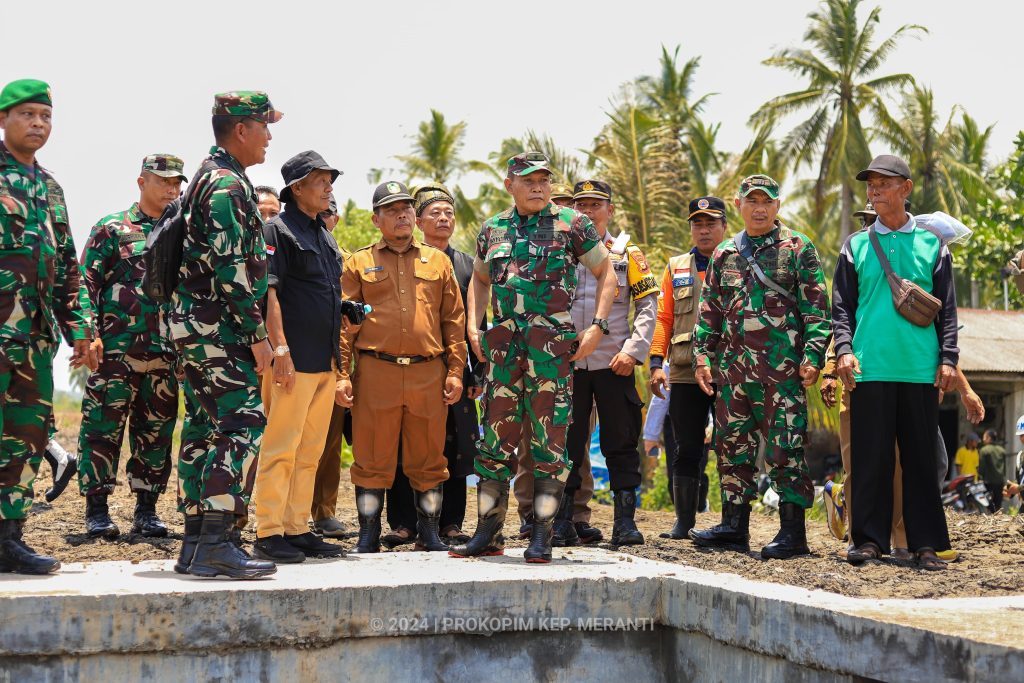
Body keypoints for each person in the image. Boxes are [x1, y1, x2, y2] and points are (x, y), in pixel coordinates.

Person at [451, 152, 613, 564]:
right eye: (529, 180)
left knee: (549, 442)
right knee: (493, 441)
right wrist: (474, 327)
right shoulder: (493, 228)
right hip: (504, 348)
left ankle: (541, 534)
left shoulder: (571, 224)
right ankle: (487, 532)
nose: (538, 186)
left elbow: (606, 273)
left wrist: (596, 327)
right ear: (510, 185)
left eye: (544, 179)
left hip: (551, 352)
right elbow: (481, 281)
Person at [170, 91, 282, 580]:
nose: (269, 137)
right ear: (241, 130)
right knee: (243, 423)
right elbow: (230, 268)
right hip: (217, 325)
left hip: (195, 326)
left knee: (202, 427)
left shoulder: (209, 178)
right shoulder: (226, 185)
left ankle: (195, 543)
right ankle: (217, 540)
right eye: (264, 126)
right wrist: (258, 335)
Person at [689, 175, 830, 560]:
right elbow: (709, 313)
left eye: (766, 201)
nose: (759, 208)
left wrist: (814, 356)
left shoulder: (798, 248)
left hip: (781, 373)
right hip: (734, 375)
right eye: (751, 201)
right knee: (732, 448)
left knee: (786, 449)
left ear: (777, 206)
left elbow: (817, 309)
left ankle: (793, 533)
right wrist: (702, 357)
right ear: (739, 205)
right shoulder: (724, 254)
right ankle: (734, 527)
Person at [833, 154, 958, 571]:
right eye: (870, 184)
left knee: (922, 460)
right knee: (872, 459)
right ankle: (869, 541)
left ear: (906, 188)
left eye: (884, 183)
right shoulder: (854, 245)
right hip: (870, 367)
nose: (875, 190)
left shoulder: (933, 244)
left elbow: (949, 311)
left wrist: (948, 358)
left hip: (921, 369)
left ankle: (926, 545)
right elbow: (842, 308)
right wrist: (844, 350)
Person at [0, 79, 98, 575]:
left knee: (27, 437)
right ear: (3, 119)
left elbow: (66, 263)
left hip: (34, 341)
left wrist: (81, 328)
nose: (38, 123)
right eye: (27, 115)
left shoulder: (50, 186)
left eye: (45, 115)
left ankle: (8, 537)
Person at [337, 181, 467, 553]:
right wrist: (342, 375)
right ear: (376, 219)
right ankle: (368, 532)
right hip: (377, 372)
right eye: (392, 210)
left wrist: (456, 371)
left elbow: (453, 321)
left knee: (429, 457)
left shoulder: (438, 261)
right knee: (371, 457)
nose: (402, 215)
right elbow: (345, 326)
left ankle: (429, 532)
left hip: (429, 372)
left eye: (407, 208)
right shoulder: (358, 263)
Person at [77, 154, 187, 539]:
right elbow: (85, 283)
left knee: (155, 434)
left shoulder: (183, 233)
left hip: (165, 354)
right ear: (142, 183)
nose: (173, 189)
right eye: (164, 182)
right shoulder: (112, 228)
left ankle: (146, 510)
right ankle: (97, 510)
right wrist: (89, 332)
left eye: (177, 183)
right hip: (115, 352)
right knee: (102, 430)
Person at [251, 151, 346, 563]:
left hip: (323, 362)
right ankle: (269, 530)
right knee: (280, 448)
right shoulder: (277, 231)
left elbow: (323, 295)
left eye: (329, 180)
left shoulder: (323, 234)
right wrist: (280, 350)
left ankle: (296, 527)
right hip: (292, 361)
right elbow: (270, 293)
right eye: (320, 180)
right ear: (296, 188)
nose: (328, 187)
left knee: (310, 451)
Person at [553, 179, 658, 547]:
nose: (587, 210)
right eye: (580, 204)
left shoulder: (627, 252)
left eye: (596, 204)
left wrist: (634, 350)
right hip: (569, 366)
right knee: (566, 443)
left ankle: (624, 523)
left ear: (609, 210)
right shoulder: (560, 250)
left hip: (615, 363)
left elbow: (647, 306)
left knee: (620, 441)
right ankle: (562, 521)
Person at [383, 183, 482, 547]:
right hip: (410, 368)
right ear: (419, 221)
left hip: (456, 370)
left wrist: (476, 372)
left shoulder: (468, 266)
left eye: (449, 214)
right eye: (435, 213)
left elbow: (478, 323)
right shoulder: (405, 259)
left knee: (455, 445)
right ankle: (404, 522)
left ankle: (451, 522)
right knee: (403, 443)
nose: (443, 219)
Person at [649, 196, 728, 539]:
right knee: (686, 447)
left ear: (725, 226)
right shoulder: (676, 266)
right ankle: (684, 522)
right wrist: (655, 362)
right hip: (682, 369)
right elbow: (664, 317)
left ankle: (733, 522)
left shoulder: (738, 261)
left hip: (729, 369)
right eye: (698, 223)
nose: (704, 229)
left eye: (711, 223)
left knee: (731, 447)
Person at [309, 193, 354, 539]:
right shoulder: (292, 250)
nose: (323, 218)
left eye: (329, 214)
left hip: (336, 364)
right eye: (318, 212)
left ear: (336, 219)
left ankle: (323, 512)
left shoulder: (348, 262)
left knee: (329, 444)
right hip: (297, 360)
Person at [978, 429, 1006, 513]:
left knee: (988, 504)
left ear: (989, 438)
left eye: (984, 437)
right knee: (998, 504)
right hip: (999, 481)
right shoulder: (1002, 450)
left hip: (988, 482)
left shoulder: (984, 450)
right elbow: (1004, 468)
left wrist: (980, 477)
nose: (983, 439)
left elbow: (981, 468)